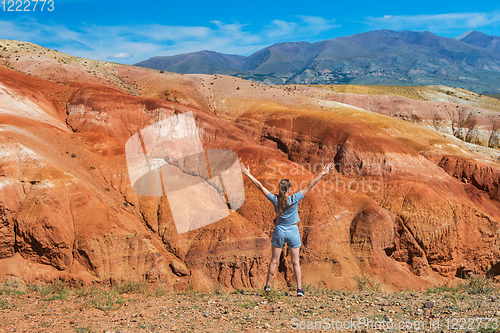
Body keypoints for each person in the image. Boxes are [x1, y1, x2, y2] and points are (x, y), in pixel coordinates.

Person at [239, 161, 335, 297]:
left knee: (274, 260)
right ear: (289, 189)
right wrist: (322, 173)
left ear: (280, 189)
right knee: (295, 262)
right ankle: (299, 289)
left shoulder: (275, 200)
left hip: (279, 231)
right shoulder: (294, 198)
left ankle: (267, 286)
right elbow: (310, 185)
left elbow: (260, 186)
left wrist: (248, 174)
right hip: (293, 231)